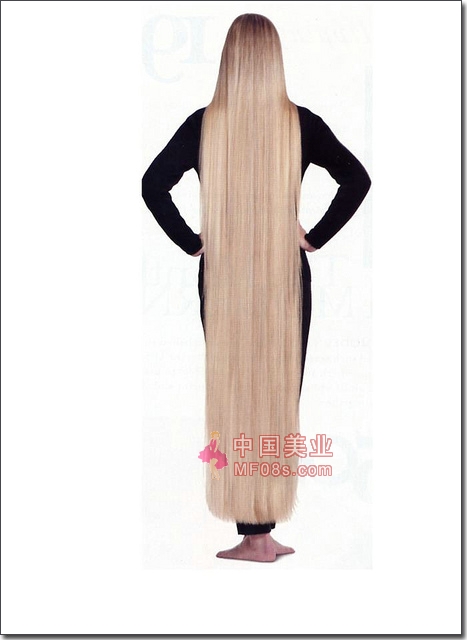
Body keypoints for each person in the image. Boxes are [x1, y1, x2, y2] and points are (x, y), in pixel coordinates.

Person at [142, 13, 371, 562]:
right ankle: (262, 534)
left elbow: (153, 185)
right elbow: (356, 178)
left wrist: (194, 242)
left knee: (236, 392)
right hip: (285, 278)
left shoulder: (204, 125)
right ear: (274, 61)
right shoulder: (300, 124)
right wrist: (311, 238)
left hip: (223, 277)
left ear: (229, 61)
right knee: (275, 395)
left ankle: (256, 535)